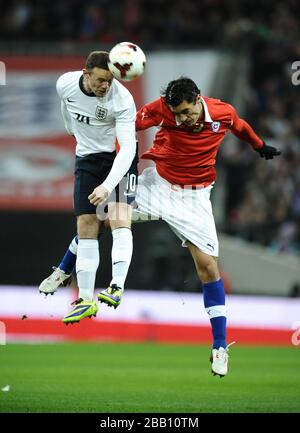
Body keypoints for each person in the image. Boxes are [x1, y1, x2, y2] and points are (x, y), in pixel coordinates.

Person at [39, 77, 280, 376]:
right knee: (100, 219)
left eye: (188, 112)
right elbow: (127, 127)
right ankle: (63, 270)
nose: (183, 119)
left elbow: (240, 126)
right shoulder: (160, 109)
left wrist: (259, 146)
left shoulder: (222, 113)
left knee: (208, 268)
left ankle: (219, 346)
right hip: (157, 185)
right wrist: (116, 157)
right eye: (177, 114)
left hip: (195, 198)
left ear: (199, 99)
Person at [39, 51, 138, 325]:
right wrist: (70, 127)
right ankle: (85, 300)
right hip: (87, 159)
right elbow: (65, 103)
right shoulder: (66, 84)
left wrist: (107, 186)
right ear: (86, 73)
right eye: (100, 80)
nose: (105, 86)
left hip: (119, 158)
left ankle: (116, 287)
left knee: (119, 218)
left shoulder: (122, 99)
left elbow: (128, 147)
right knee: (86, 225)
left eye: (109, 80)